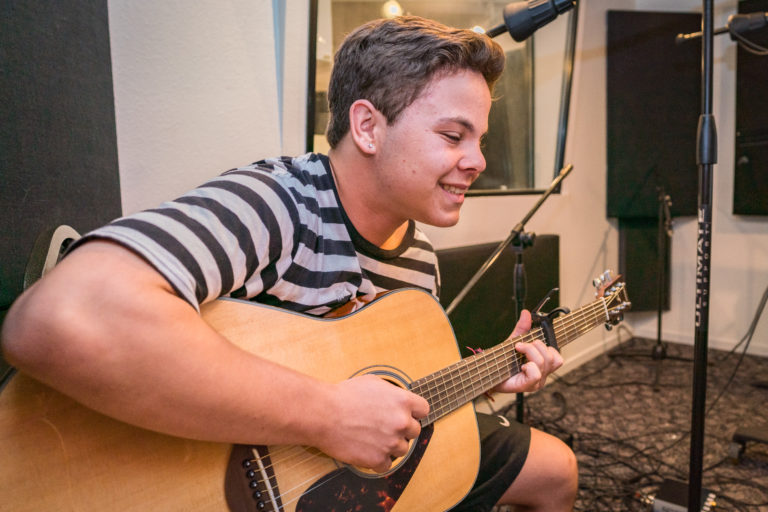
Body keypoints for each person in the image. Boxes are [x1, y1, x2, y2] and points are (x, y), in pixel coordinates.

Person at [1, 15, 577, 512]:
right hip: (204, 469)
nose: (476, 161)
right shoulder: (277, 202)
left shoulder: (419, 257)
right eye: (454, 135)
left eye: (479, 139)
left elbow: (382, 394)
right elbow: (65, 317)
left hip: (329, 479)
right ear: (368, 127)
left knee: (557, 469)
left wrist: (483, 381)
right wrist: (327, 415)